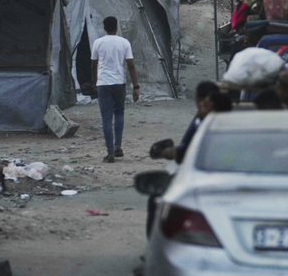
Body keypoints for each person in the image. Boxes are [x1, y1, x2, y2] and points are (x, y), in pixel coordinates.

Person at [146, 82, 225, 236]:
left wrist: (169, 152)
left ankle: (153, 245)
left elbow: (183, 152)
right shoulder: (229, 119)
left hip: (200, 176)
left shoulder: (201, 121)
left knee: (157, 199)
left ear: (199, 100)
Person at [90, 16, 139, 164]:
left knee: (106, 118)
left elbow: (93, 65)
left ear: (104, 27)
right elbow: (130, 65)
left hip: (103, 83)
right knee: (119, 113)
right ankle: (118, 146)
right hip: (119, 83)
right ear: (117, 27)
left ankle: (110, 152)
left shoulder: (97, 43)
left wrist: (95, 81)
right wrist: (135, 86)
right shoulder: (124, 43)